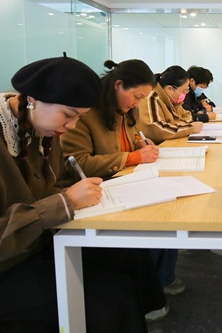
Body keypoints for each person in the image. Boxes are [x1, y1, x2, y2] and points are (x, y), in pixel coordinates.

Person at [0, 54, 166, 332]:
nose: (71, 126)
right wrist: (62, 203)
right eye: (68, 115)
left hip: (23, 247)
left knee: (128, 255)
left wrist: (71, 195)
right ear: (33, 99)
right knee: (110, 297)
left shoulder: (39, 127)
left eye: (79, 118)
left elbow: (44, 187)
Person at [60, 59, 183, 317]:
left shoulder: (126, 109)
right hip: (99, 189)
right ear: (118, 85)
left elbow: (132, 136)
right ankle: (149, 297)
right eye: (137, 96)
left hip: (125, 179)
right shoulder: (85, 113)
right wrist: (132, 157)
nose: (138, 104)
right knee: (146, 232)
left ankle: (162, 279)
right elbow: (77, 163)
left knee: (169, 214)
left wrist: (140, 143)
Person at [139, 65, 203, 144]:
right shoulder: (151, 98)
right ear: (170, 89)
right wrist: (189, 128)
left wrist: (174, 126)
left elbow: (188, 115)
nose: (185, 94)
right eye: (184, 91)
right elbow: (157, 129)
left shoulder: (173, 101)